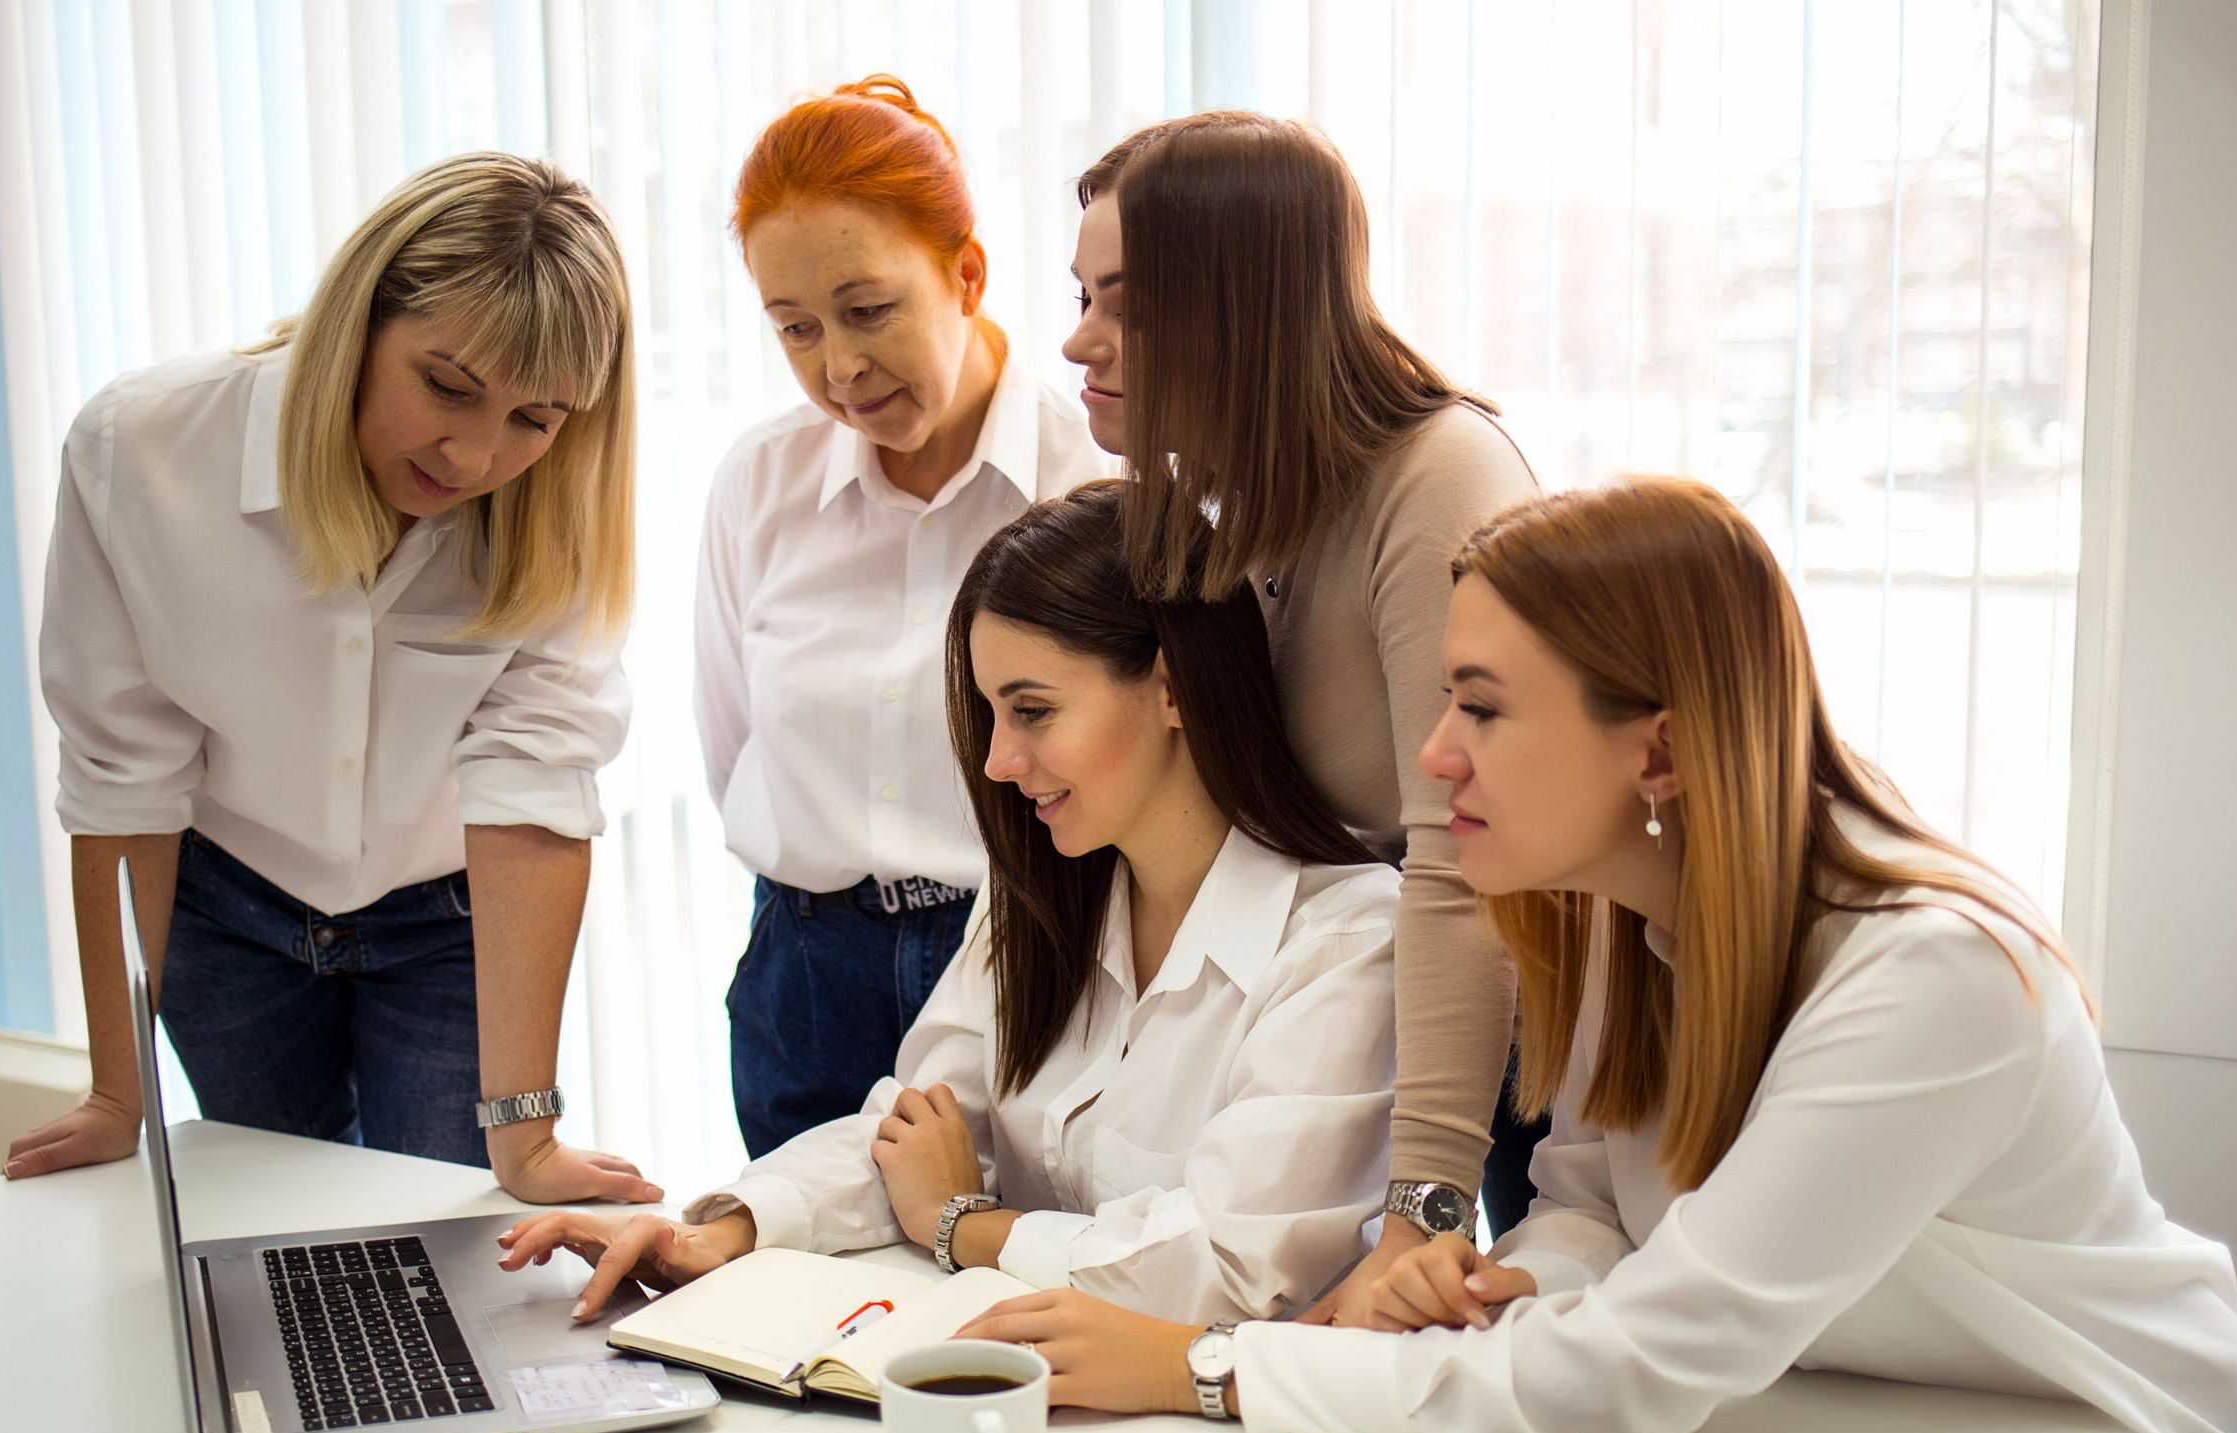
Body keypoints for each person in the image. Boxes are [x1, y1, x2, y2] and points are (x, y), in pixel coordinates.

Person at [957, 477, 2237, 1433]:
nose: (1434, 753)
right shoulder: (1625, 920)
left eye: (1484, 707)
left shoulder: (1936, 977)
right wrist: (1488, 1285)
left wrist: (1211, 1365)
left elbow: (1650, 1360)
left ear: (1662, 750)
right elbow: (1588, 1211)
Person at [500, 483, 1399, 1327]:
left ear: (1171, 686)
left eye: (1034, 710)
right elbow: (910, 1129)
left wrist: (959, 1222)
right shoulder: (1039, 894)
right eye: (991, 715)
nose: (1001, 762)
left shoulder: (1347, 938)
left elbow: (1232, 1269)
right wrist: (713, 1234)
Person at [9, 153, 658, 1207]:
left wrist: (528, 1138)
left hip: (447, 915)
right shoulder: (144, 449)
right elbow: (125, 777)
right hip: (226, 912)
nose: (476, 453)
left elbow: (533, 786)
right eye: (447, 386)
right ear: (357, 319)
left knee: (441, 1240)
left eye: (534, 418)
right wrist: (116, 1094)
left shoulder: (558, 510)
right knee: (279, 1227)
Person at [1061, 112, 1545, 1317]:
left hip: (1515, 1078)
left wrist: (1423, 1212)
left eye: (1126, 303)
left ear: (1243, 301)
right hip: (1368, 1040)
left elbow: (1461, 869)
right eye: (1080, 296)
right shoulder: (1246, 501)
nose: (1080, 341)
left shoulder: (1439, 479)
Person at [700, 75, 1114, 1160]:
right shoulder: (760, 484)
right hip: (801, 966)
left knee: (995, 1289)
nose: (838, 367)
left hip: (1023, 951)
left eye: (867, 310)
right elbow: (732, 742)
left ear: (966, 273)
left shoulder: (1089, 489)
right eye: (794, 329)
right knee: (792, 1299)